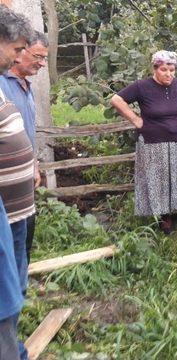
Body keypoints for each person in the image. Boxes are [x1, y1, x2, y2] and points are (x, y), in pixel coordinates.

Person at [110, 50, 177, 234]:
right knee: (160, 180)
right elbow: (116, 99)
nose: (169, 74)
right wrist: (136, 120)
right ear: (155, 69)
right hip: (154, 143)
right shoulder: (142, 86)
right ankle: (165, 216)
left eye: (172, 70)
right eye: (164, 70)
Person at [0, 6, 34, 360]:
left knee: (13, 284)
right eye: (17, 48)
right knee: (4, 292)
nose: (18, 55)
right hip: (4, 216)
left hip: (14, 210)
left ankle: (14, 343)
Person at [0, 30, 48, 264]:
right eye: (38, 56)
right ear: (19, 52)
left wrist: (34, 164)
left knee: (25, 233)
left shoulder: (26, 87)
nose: (42, 63)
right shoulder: (1, 84)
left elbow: (27, 132)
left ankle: (20, 288)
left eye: (44, 58)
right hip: (5, 180)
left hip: (25, 176)